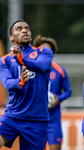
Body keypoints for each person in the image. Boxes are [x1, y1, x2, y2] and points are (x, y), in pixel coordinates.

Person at [0, 19, 53, 149]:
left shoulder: (43, 52)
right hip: (12, 116)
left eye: (27, 28)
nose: (24, 30)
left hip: (37, 120)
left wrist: (21, 60)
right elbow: (7, 83)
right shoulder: (4, 60)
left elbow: (40, 66)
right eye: (19, 29)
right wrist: (21, 82)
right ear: (12, 38)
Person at [33, 35, 72, 150]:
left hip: (53, 121)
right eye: (42, 50)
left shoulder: (59, 71)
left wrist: (57, 100)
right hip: (35, 119)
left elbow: (68, 91)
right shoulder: (30, 70)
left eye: (48, 50)